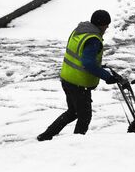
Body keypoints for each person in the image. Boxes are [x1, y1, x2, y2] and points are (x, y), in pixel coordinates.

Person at [37, 10, 126, 141]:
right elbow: (87, 62)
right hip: (79, 84)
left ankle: (46, 135)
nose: (107, 27)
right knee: (84, 116)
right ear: (101, 24)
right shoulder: (93, 40)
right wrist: (107, 77)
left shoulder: (79, 32)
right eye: (106, 24)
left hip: (67, 78)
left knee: (73, 112)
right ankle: (77, 142)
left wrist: (99, 67)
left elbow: (79, 57)